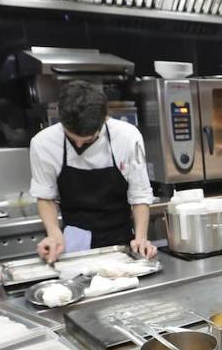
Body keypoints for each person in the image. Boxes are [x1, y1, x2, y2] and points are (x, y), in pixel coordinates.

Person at [30, 80, 156, 262]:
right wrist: (54, 234)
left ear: (104, 120)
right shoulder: (43, 143)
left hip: (120, 243)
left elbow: (140, 194)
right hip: (74, 245)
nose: (79, 146)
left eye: (88, 141)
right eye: (72, 139)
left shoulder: (127, 136)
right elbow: (45, 195)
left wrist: (141, 238)